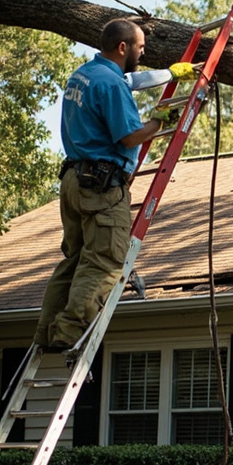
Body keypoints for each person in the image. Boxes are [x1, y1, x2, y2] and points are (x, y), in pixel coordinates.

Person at [34, 19, 187, 353]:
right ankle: (70, 332)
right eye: (141, 48)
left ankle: (48, 330)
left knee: (74, 261)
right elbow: (129, 135)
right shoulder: (111, 85)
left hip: (74, 181)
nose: (143, 53)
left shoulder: (85, 75)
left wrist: (171, 74)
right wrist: (158, 122)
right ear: (123, 47)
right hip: (101, 187)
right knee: (105, 260)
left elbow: (131, 81)